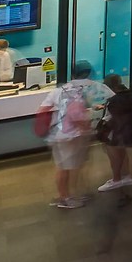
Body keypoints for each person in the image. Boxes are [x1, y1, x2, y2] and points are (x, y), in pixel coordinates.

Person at [38, 61, 104, 209]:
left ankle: (63, 195)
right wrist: (87, 128)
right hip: (71, 136)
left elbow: (42, 110)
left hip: (56, 134)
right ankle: (67, 197)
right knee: (71, 167)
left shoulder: (58, 90)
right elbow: (77, 117)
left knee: (62, 167)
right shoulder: (77, 93)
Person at [97, 73, 132, 191]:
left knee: (114, 157)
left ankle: (116, 179)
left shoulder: (112, 100)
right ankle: (127, 176)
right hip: (129, 130)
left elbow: (110, 117)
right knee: (123, 153)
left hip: (115, 131)